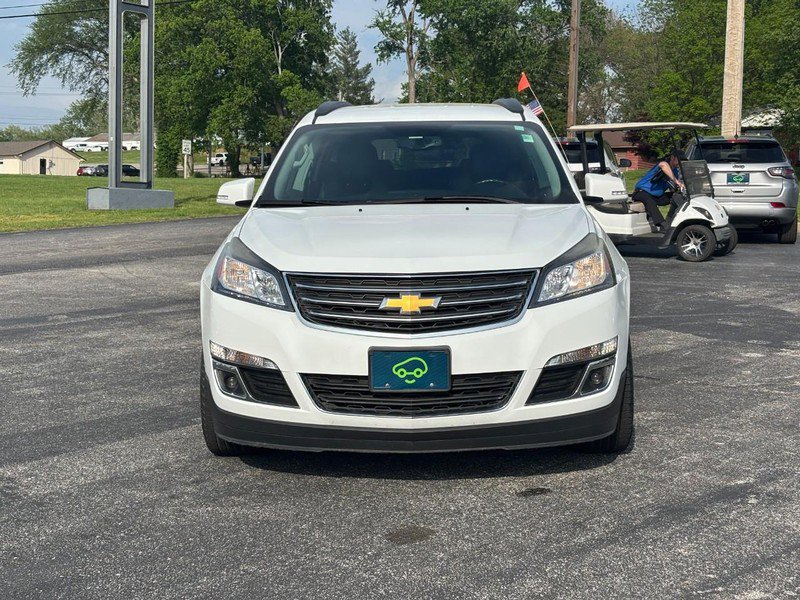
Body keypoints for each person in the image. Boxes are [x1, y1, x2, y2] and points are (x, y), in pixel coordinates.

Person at [633, 151, 686, 232]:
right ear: (672, 158)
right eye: (679, 159)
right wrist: (677, 182)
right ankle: (662, 224)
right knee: (648, 200)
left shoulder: (675, 171)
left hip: (657, 197)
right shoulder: (664, 164)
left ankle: (672, 221)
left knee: (676, 196)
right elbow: (663, 165)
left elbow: (672, 186)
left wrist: (679, 189)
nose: (680, 162)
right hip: (641, 192)